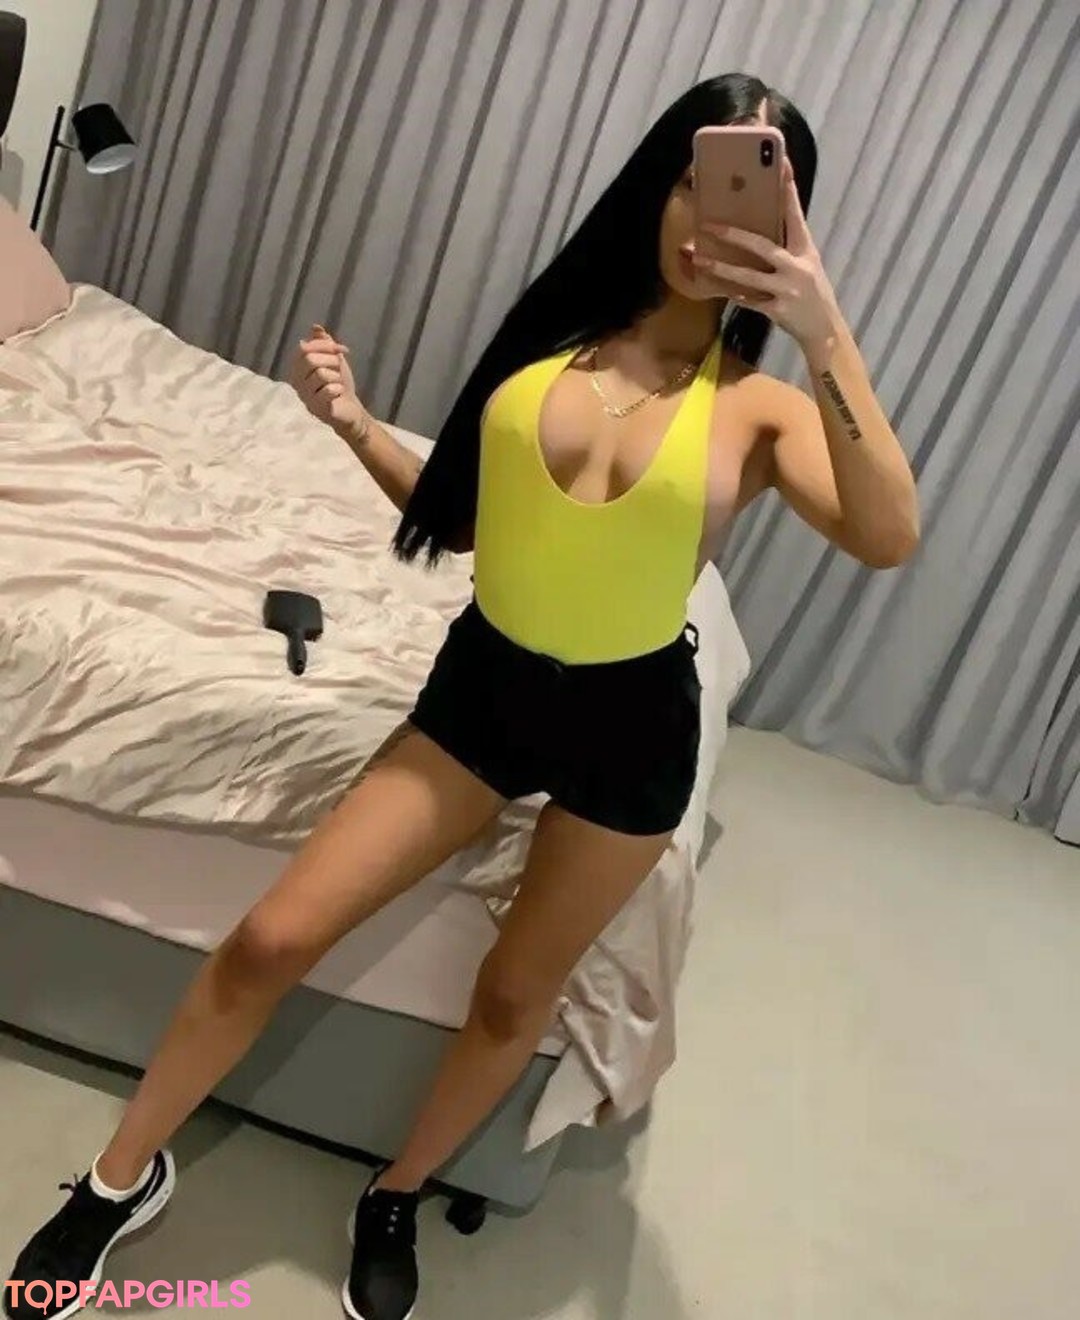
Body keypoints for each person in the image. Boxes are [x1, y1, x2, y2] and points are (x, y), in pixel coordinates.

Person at [4, 72, 918, 1320]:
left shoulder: (760, 410)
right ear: (656, 188)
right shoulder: (548, 349)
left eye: (754, 201)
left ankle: (397, 1192)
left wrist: (822, 329)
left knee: (512, 996)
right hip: (485, 692)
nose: (714, 220)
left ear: (788, 227)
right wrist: (350, 424)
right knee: (271, 938)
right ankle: (119, 1180)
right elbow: (471, 529)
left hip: (632, 725)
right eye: (694, 183)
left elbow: (887, 534)